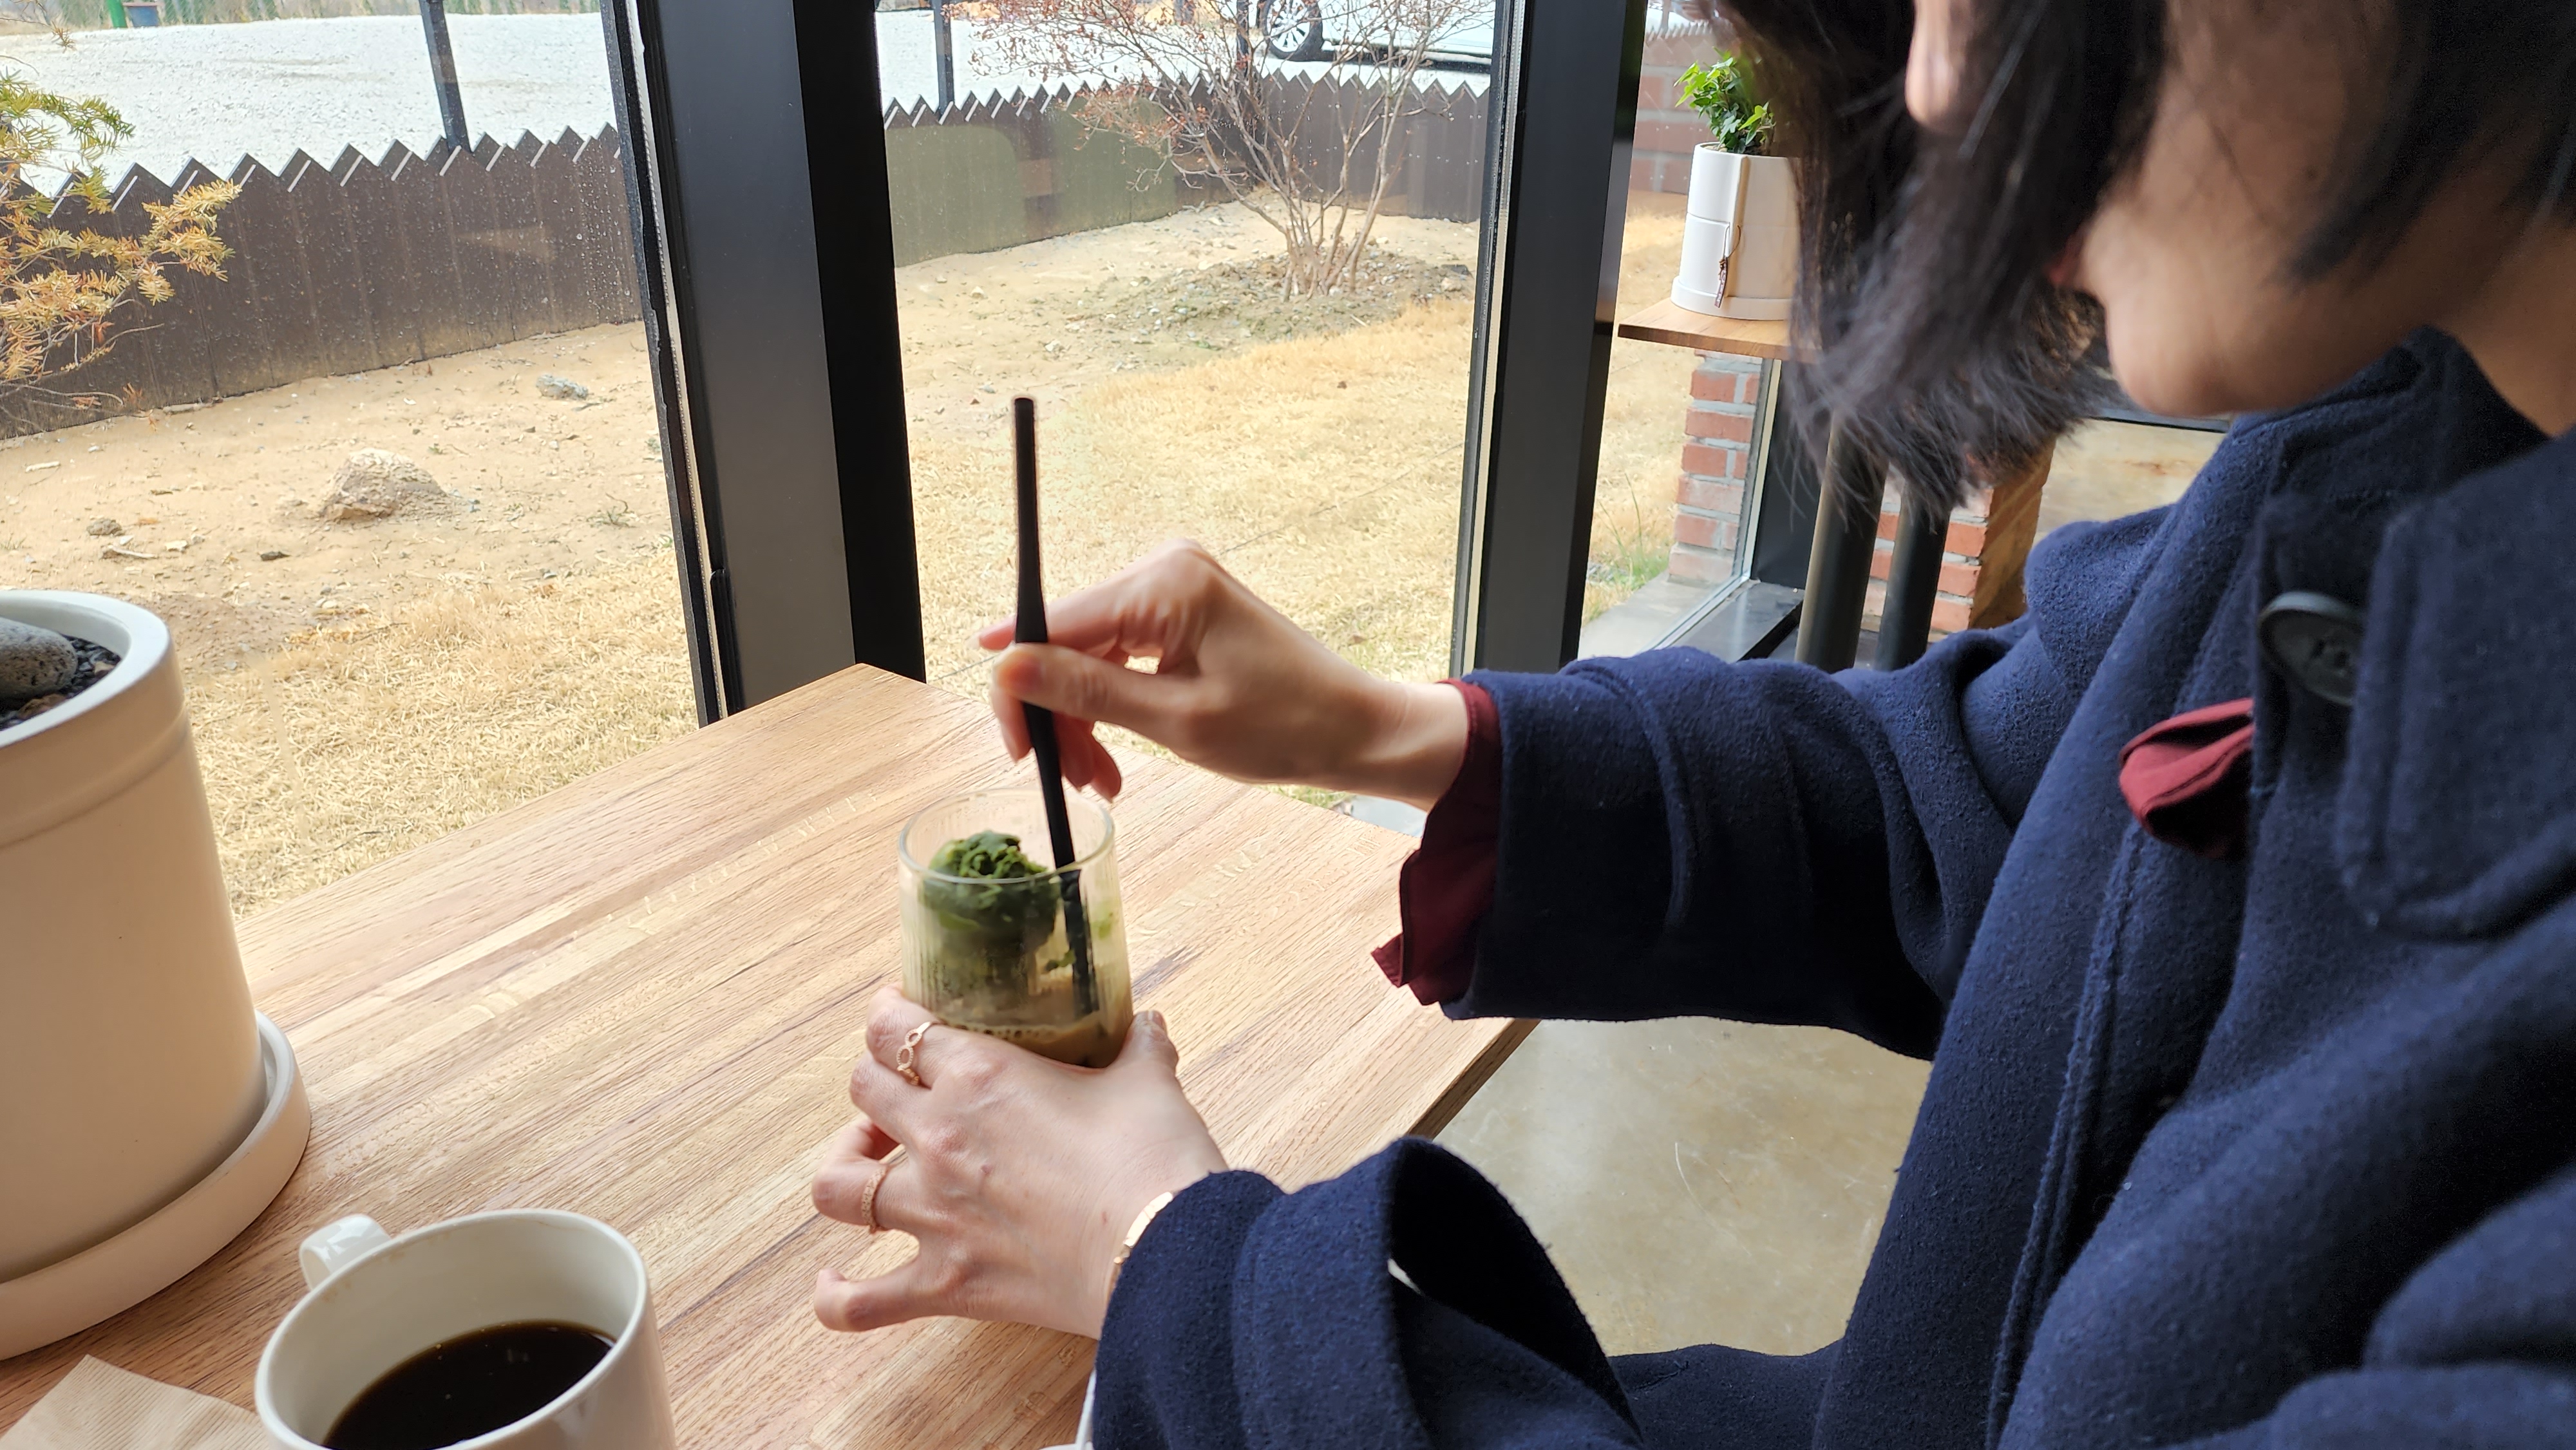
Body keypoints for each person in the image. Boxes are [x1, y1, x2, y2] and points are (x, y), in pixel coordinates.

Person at [808, 0, 2576, 1442]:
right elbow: (1977, 799)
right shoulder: (2393, 445)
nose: (1938, 79)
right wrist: (1382, 729)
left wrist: (1168, 1268)